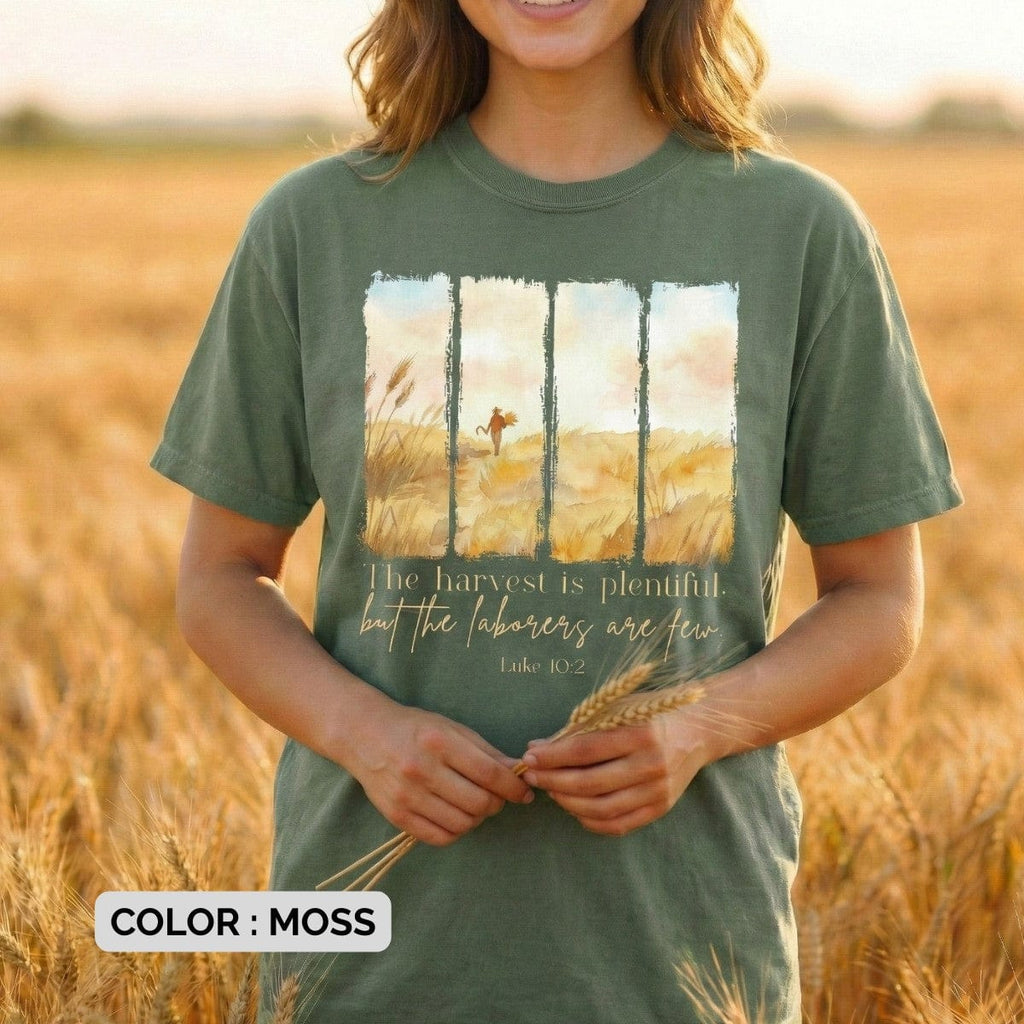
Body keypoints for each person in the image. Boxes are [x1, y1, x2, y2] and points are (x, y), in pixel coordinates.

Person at [152, 1, 963, 1021]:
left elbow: (879, 598)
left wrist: (695, 731)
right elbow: (219, 576)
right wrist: (363, 732)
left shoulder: (797, 230)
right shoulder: (313, 225)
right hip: (369, 955)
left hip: (681, 955)